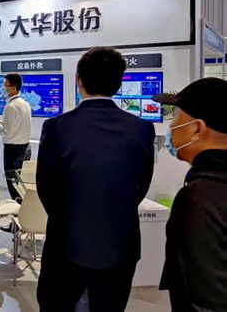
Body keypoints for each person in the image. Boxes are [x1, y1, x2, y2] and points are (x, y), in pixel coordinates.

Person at [36, 47, 155, 312]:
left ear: (78, 80)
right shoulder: (141, 129)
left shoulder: (57, 127)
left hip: (66, 244)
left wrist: (69, 217)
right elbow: (140, 185)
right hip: (119, 244)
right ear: (119, 82)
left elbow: (46, 186)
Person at [153, 78, 227, 311]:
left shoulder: (199, 197)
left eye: (175, 118)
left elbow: (208, 297)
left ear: (197, 129)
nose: (171, 126)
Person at [0, 73, 32, 209]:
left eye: (5, 85)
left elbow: (7, 132)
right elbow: (18, 125)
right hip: (26, 148)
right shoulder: (25, 104)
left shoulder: (10, 107)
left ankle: (17, 215)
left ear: (13, 87)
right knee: (22, 185)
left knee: (13, 185)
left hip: (13, 150)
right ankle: (24, 213)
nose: (3, 88)